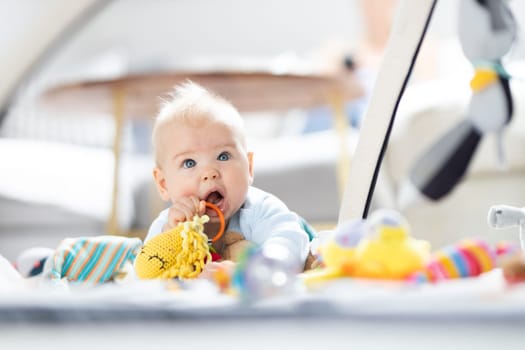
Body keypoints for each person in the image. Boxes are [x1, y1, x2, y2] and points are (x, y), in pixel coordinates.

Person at [147, 81, 311, 275]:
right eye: (189, 163)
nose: (209, 172)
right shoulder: (168, 224)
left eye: (223, 156)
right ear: (164, 184)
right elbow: (147, 269)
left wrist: (256, 270)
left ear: (249, 167)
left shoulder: (259, 209)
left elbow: (289, 240)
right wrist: (171, 236)